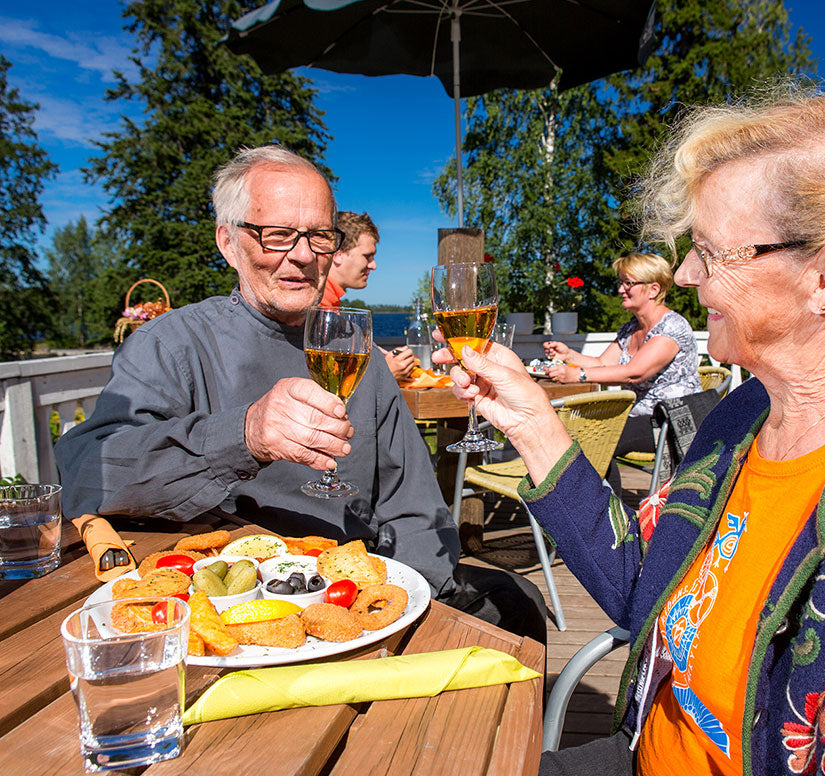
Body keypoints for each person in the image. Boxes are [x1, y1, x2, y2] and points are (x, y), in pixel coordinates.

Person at [435, 68, 825, 774]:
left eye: (712, 253)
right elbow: (643, 585)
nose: (686, 276)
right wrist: (531, 420)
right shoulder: (746, 413)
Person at [55, 144, 546, 644]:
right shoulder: (172, 345)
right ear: (228, 243)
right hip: (240, 616)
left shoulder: (357, 353)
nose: (304, 254)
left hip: (356, 598)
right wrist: (243, 435)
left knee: (518, 606)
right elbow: (85, 473)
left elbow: (414, 503)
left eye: (319, 236)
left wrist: (410, 606)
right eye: (277, 235)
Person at [544, 253, 701, 461]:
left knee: (595, 441)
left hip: (672, 419)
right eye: (620, 283)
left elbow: (634, 373)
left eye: (628, 283)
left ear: (653, 289)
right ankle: (602, 493)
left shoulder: (672, 327)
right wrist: (568, 355)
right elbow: (602, 363)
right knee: (584, 435)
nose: (620, 290)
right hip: (640, 416)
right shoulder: (629, 329)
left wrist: (578, 375)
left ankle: (600, 494)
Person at [321, 210, 418, 381]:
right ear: (338, 254)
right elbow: (325, 381)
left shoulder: (330, 303)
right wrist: (385, 371)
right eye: (367, 256)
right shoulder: (317, 307)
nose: (373, 265)